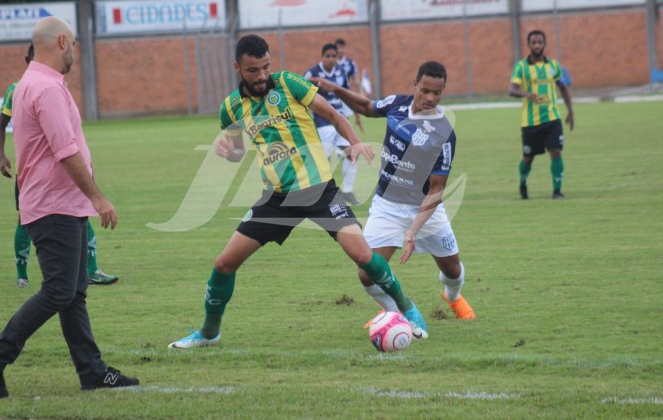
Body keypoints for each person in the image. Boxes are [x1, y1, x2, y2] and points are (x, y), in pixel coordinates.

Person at [168, 34, 428, 349]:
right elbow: (237, 150)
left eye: (265, 67)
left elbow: (333, 114)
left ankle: (407, 307)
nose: (262, 76)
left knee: (362, 255)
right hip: (276, 200)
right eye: (253, 70)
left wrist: (354, 141)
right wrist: (229, 152)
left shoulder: (289, 83)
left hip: (320, 191)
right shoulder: (231, 108)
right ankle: (209, 333)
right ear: (238, 67)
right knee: (224, 264)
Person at [0, 17, 138, 399]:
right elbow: (65, 151)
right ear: (63, 42)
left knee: (73, 293)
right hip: (54, 205)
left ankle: (92, 372)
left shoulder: (31, 83)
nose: (75, 54)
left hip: (55, 203)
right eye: (74, 46)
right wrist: (97, 197)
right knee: (57, 291)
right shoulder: (45, 88)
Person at [310, 61, 476, 320]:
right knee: (367, 272)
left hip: (425, 210)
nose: (430, 98)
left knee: (453, 271)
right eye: (425, 90)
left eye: (437, 92)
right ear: (415, 85)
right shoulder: (397, 105)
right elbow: (365, 107)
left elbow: (436, 189)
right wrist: (336, 89)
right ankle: (394, 313)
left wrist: (413, 231)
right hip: (387, 205)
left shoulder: (444, 133)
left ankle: (452, 297)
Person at [0, 43, 119, 288]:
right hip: (35, 176)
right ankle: (22, 274)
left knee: (83, 214)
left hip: (66, 172)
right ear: (28, 59)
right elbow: (0, 126)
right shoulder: (18, 89)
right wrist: (1, 156)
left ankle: (92, 270)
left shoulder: (56, 85)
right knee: (25, 222)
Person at [509, 29, 574, 200]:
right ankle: (523, 184)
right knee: (528, 158)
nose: (537, 45)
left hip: (552, 118)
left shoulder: (553, 66)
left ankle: (557, 191)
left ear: (544, 44)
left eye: (540, 42)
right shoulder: (521, 67)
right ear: (529, 45)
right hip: (530, 123)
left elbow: (563, 88)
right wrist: (527, 94)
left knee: (556, 152)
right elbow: (512, 90)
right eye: (534, 42)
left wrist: (570, 111)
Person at [304, 43, 361, 206]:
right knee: (324, 159)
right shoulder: (312, 73)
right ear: (322, 57)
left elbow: (344, 96)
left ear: (337, 58)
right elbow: (301, 97)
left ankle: (347, 191)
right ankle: (318, 193)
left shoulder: (341, 72)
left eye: (333, 56)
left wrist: (349, 118)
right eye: (327, 56)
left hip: (339, 119)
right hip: (323, 121)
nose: (330, 59)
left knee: (353, 154)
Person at [335, 38, 366, 131]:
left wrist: (361, 91)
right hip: (332, 94)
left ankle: (344, 141)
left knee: (345, 120)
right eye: (338, 48)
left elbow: (355, 79)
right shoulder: (331, 62)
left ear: (345, 49)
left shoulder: (350, 63)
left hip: (344, 93)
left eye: (342, 48)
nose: (340, 50)